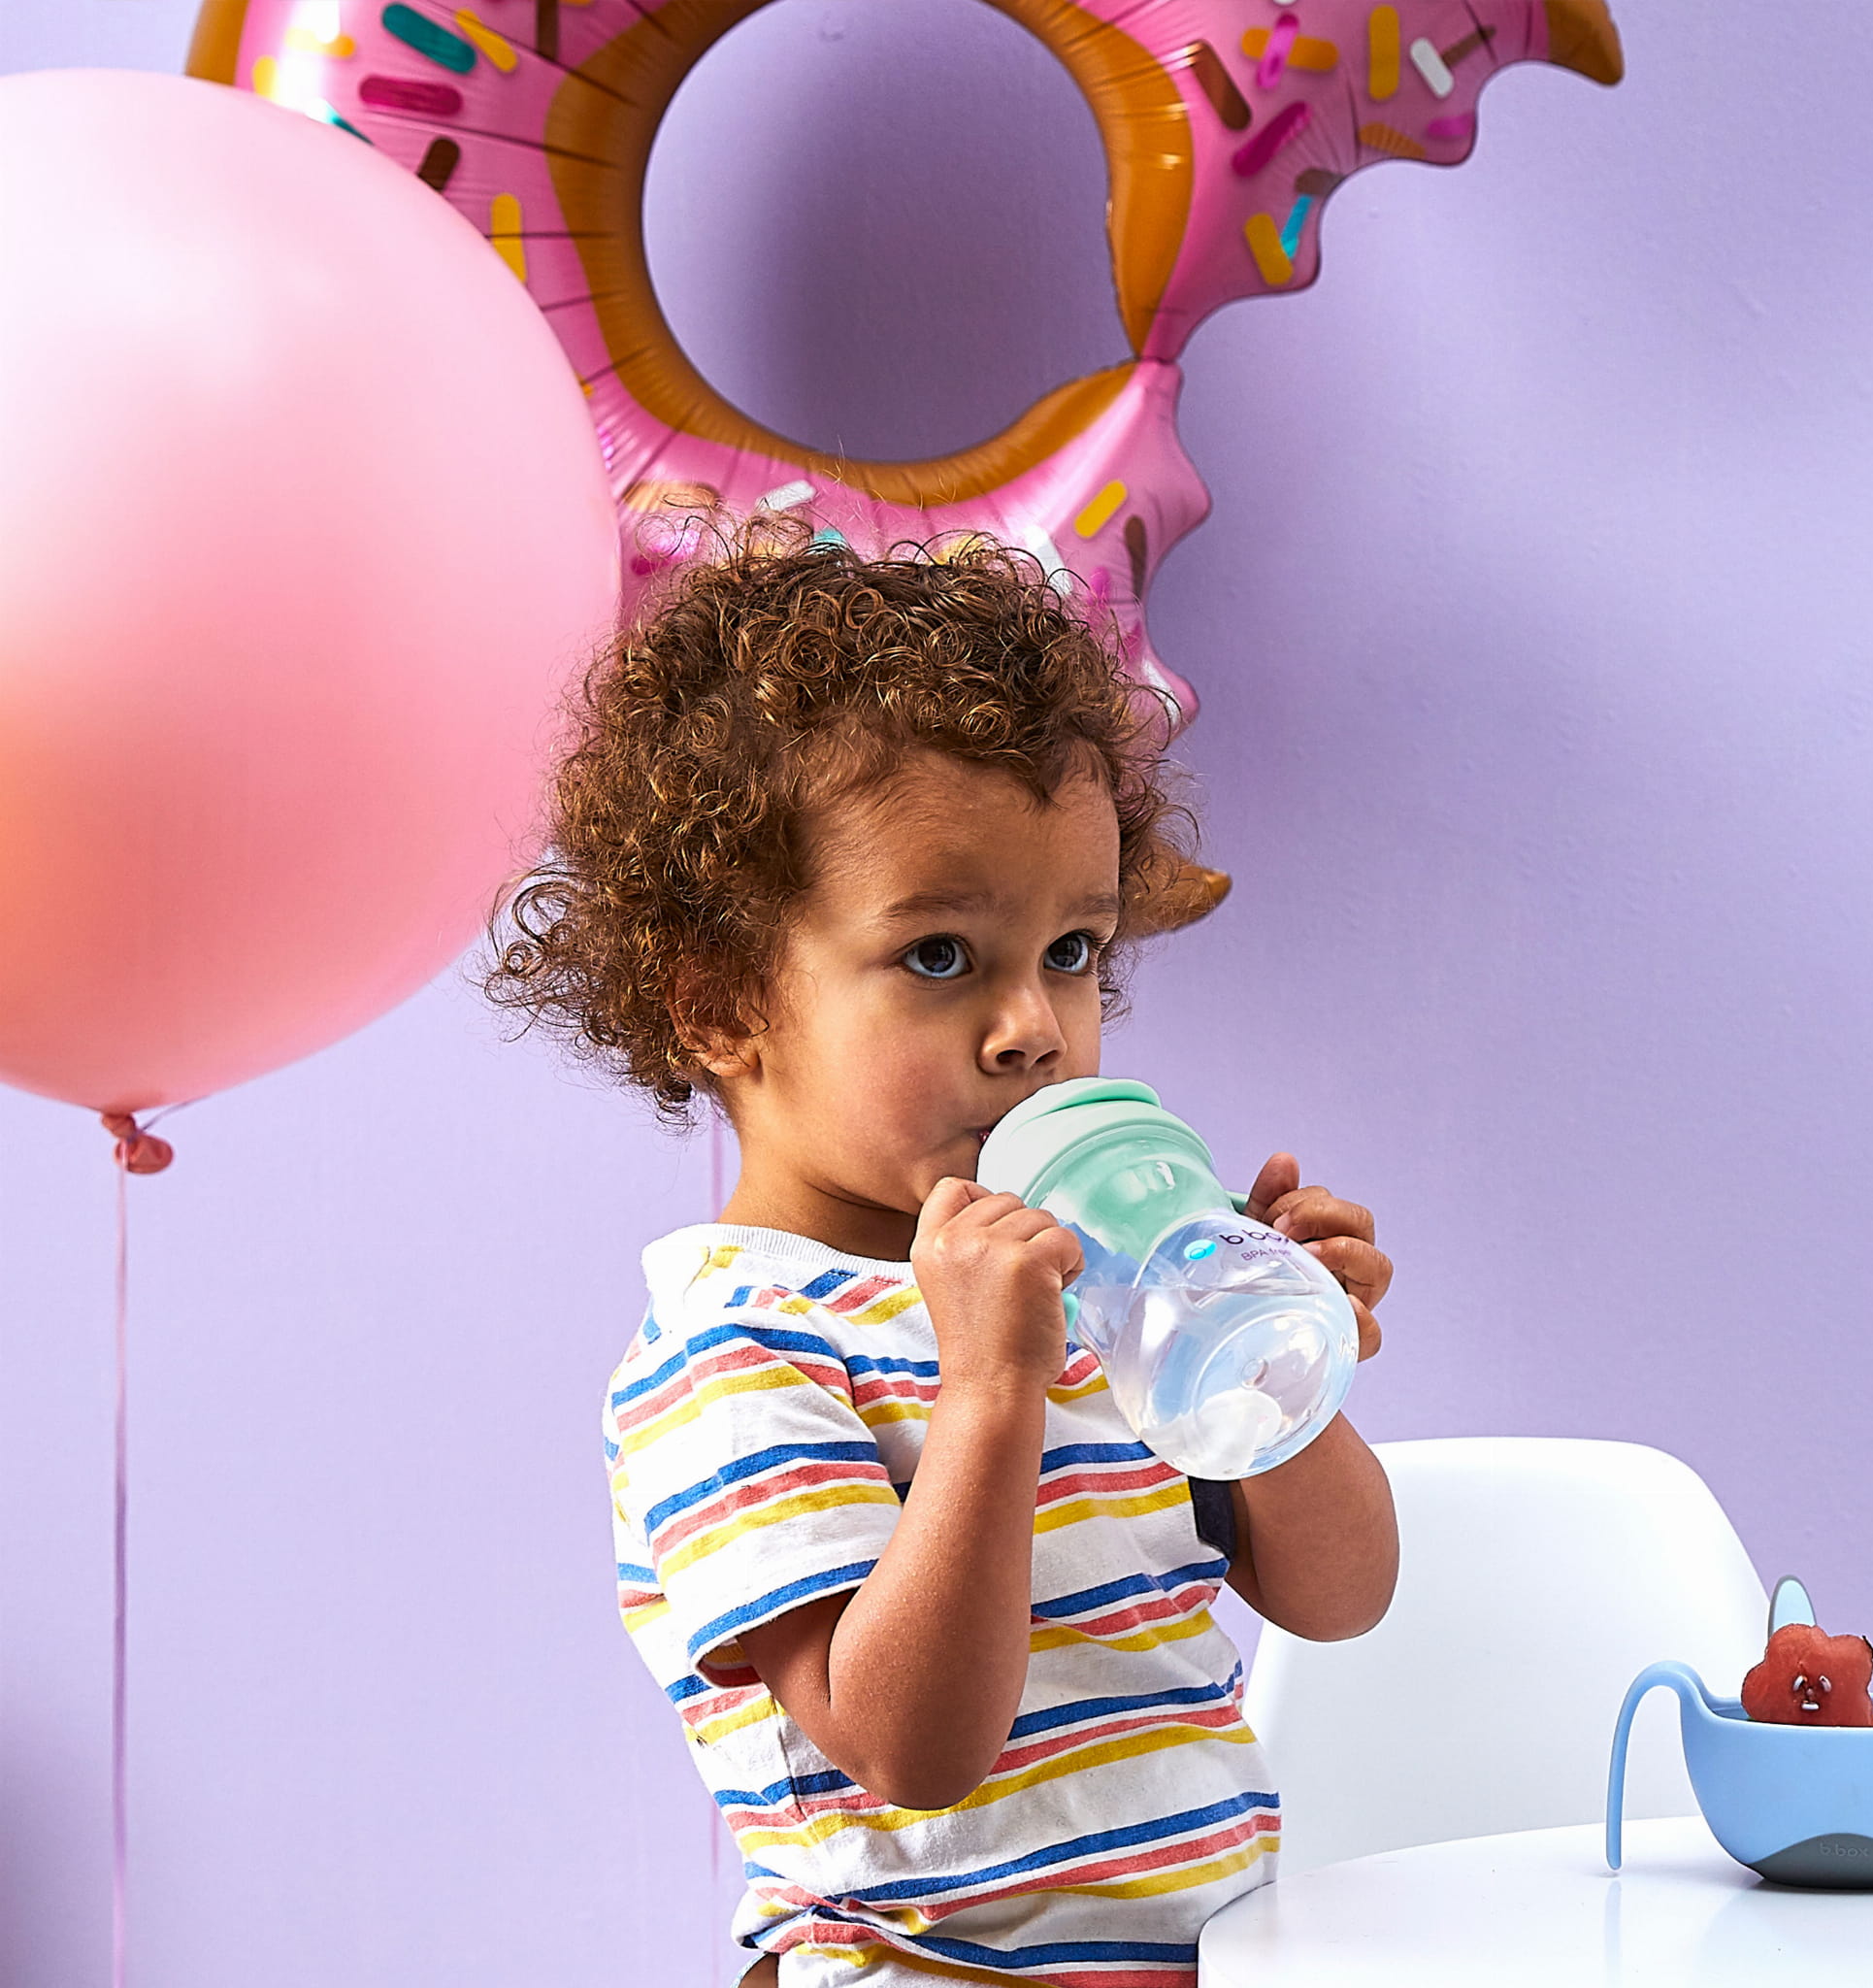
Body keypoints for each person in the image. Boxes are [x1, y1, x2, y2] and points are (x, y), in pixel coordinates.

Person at [488, 527, 1399, 1986]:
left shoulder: (1094, 1281)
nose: (1033, 1028)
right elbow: (908, 1747)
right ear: (720, 1004)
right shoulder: (734, 1348)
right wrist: (986, 1394)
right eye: (938, 956)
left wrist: (1274, 1351)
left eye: (1072, 951)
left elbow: (1341, 1599)